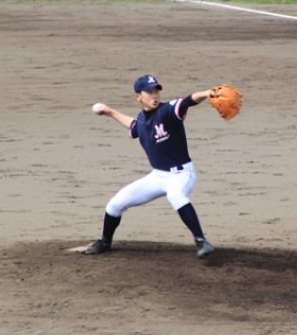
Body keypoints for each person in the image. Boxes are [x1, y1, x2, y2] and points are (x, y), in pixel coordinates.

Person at [85, 74, 215, 258]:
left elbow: (187, 101)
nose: (154, 95)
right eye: (149, 92)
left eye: (156, 91)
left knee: (175, 195)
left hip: (182, 174)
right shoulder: (142, 120)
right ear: (138, 96)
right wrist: (110, 111)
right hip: (158, 177)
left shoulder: (167, 111)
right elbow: (134, 126)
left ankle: (201, 241)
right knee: (115, 204)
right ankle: (105, 241)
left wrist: (207, 93)